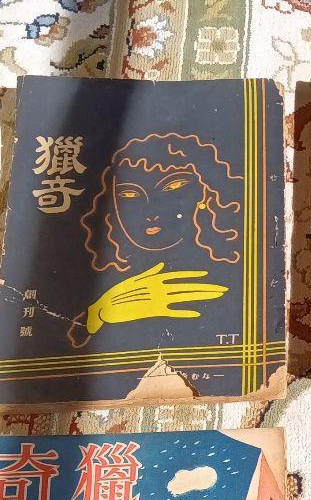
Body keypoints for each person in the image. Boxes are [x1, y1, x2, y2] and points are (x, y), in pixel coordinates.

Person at [67, 133, 242, 347]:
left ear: (204, 193)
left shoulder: (233, 273)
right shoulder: (98, 283)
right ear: (112, 210)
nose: (150, 212)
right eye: (129, 195)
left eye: (173, 187)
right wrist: (98, 314)